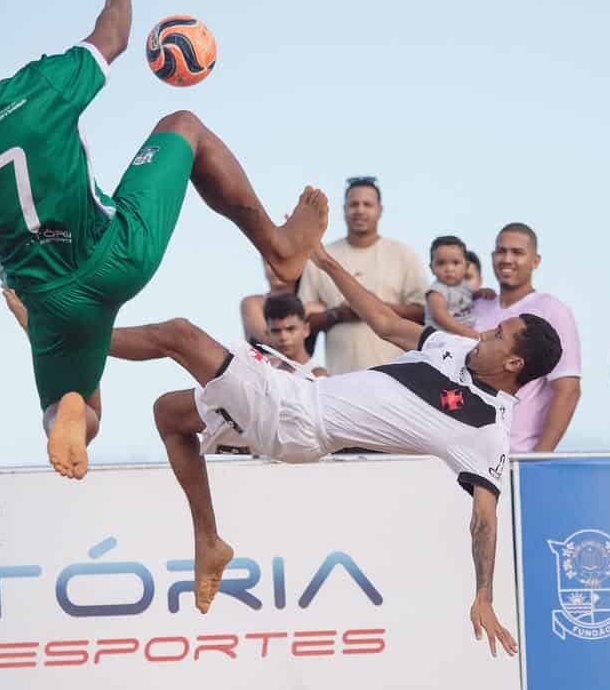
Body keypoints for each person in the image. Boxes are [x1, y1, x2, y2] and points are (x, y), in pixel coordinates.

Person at [0, 0, 328, 480]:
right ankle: (278, 248)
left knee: (77, 404)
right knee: (183, 126)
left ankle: (71, 417)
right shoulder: (42, 86)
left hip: (49, 301)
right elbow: (114, 35)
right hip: (115, 252)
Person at [114, 245, 563, 656]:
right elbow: (385, 322)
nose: (483, 333)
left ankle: (73, 338)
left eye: (498, 335)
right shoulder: (459, 347)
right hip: (296, 394)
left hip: (298, 422)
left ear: (513, 364)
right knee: (169, 414)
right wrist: (326, 262)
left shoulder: (487, 429)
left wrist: (484, 594)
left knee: (178, 334)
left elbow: (485, 517)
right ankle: (209, 540)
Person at [299, 177, 428, 374]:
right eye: (353, 204)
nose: (360, 210)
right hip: (341, 379)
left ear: (380, 210)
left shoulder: (403, 254)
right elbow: (302, 322)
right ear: (344, 209)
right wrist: (337, 314)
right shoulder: (322, 256)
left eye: (367, 204)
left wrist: (373, 307)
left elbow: (425, 314)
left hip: (396, 377)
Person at [472, 223, 581, 452]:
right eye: (501, 251)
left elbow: (568, 390)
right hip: (467, 449)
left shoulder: (551, 310)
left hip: (516, 452)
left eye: (517, 252)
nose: (507, 259)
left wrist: (540, 458)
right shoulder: (477, 306)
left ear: (535, 261)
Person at [238, 257, 324, 357]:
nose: (275, 268)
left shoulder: (316, 305)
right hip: (261, 366)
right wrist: (303, 311)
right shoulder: (252, 303)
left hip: (302, 367)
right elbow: (270, 340)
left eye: (283, 262)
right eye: (269, 263)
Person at [261, 294, 328, 377]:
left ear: (306, 329)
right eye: (276, 331)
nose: (283, 337)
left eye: (290, 329)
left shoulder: (318, 376)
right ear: (268, 334)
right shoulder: (266, 373)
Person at [426, 236, 479, 339]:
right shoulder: (436, 291)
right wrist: (467, 332)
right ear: (432, 268)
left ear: (466, 266)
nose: (449, 269)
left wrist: (483, 292)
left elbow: (474, 295)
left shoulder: (464, 286)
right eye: (441, 263)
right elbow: (440, 317)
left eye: (455, 263)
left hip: (461, 336)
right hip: (441, 338)